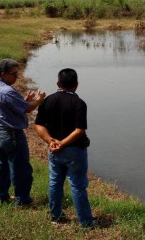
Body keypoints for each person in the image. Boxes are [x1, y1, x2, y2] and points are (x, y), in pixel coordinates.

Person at [34, 68, 94, 227]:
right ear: (76, 85)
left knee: (55, 182)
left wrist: (51, 141)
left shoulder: (48, 100)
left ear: (58, 83)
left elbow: (38, 124)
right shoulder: (79, 103)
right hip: (74, 151)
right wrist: (63, 143)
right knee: (78, 185)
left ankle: (56, 216)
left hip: (53, 150)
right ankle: (86, 222)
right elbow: (80, 130)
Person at [0, 58, 46, 206]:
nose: (16, 77)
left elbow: (7, 108)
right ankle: (23, 200)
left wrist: (24, 100)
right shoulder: (7, 91)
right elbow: (27, 109)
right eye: (13, 74)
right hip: (11, 135)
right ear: (3, 73)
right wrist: (38, 100)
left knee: (2, 167)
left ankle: (0, 197)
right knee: (21, 170)